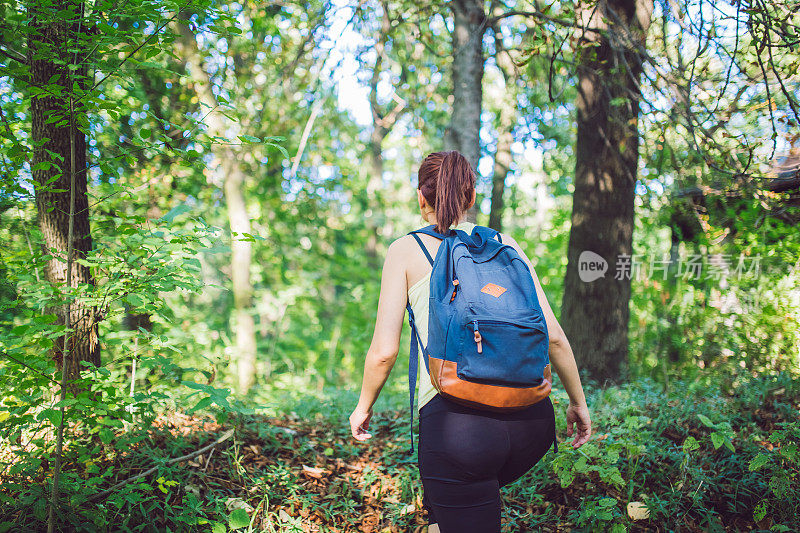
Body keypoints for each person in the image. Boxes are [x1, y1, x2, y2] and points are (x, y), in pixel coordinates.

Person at [349, 150, 592, 533]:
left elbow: (384, 352)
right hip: (533, 421)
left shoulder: (406, 250)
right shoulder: (505, 245)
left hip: (458, 427)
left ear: (421, 197)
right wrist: (578, 404)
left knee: (464, 496)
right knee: (451, 513)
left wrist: (363, 407)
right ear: (472, 196)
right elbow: (555, 338)